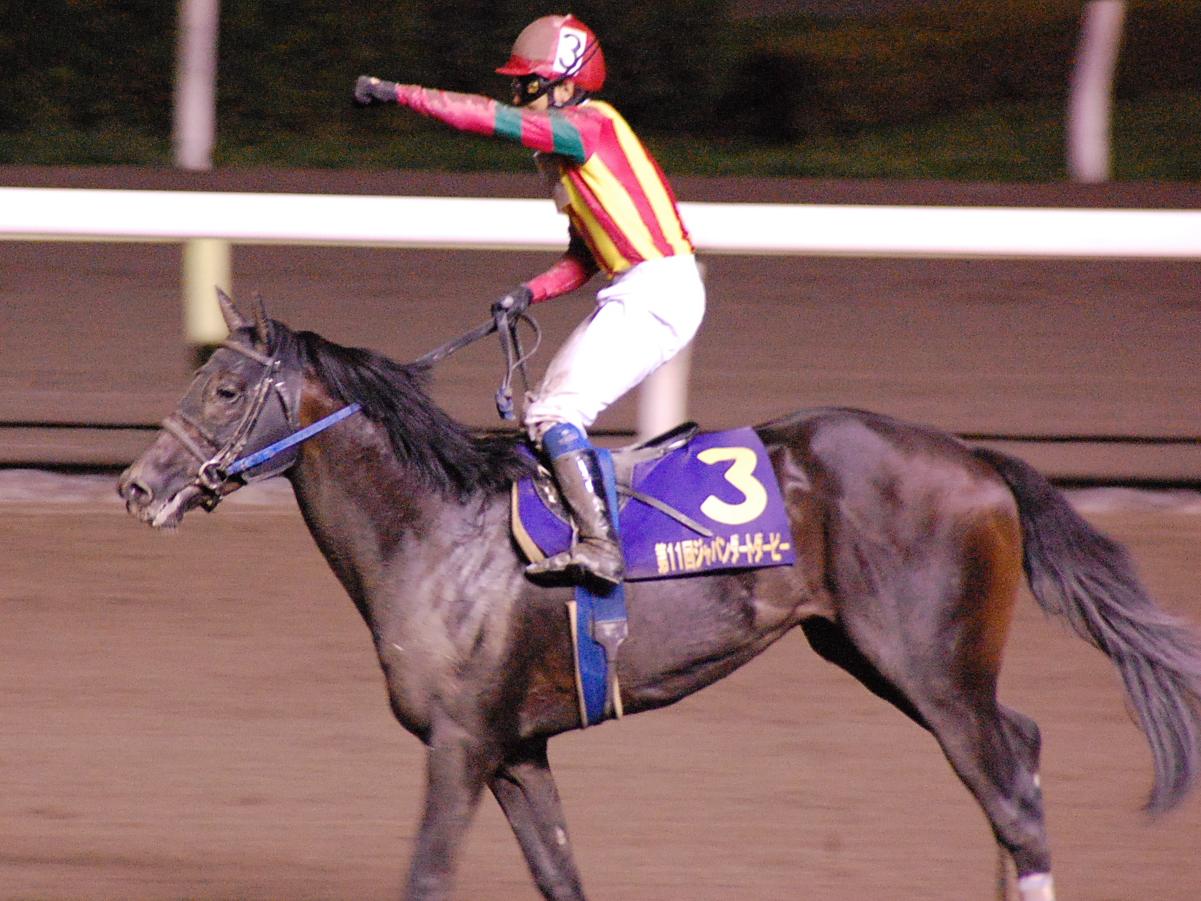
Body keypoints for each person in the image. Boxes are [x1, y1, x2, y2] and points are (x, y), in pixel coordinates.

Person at [355, 13, 705, 588]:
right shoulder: (572, 155)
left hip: (657, 289)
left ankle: (602, 546)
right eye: (518, 85)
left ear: (567, 85)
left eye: (529, 84)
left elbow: (487, 118)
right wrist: (529, 292)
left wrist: (400, 94)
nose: (519, 95)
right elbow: (586, 257)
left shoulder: (587, 126)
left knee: (554, 415)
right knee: (542, 413)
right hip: (643, 286)